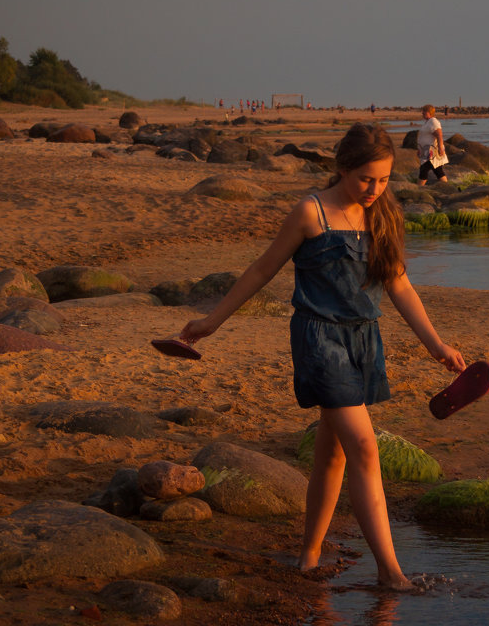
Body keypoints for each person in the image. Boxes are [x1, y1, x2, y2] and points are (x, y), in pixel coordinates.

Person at [177, 122, 465, 590]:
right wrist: (212, 321)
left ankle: (308, 557)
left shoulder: (382, 214)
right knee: (365, 448)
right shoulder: (311, 212)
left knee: (331, 455)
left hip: (364, 340)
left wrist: (437, 345)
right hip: (320, 341)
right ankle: (391, 574)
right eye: (365, 179)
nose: (374, 189)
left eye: (384, 179)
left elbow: (398, 284)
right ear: (343, 169)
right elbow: (262, 269)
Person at [416, 104, 449, 186]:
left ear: (429, 112)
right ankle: (448, 187)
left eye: (424, 111)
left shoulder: (433, 121)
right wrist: (420, 150)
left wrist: (440, 148)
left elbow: (439, 134)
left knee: (424, 169)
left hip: (431, 152)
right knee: (438, 171)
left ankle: (418, 188)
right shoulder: (428, 122)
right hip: (426, 151)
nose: (422, 113)